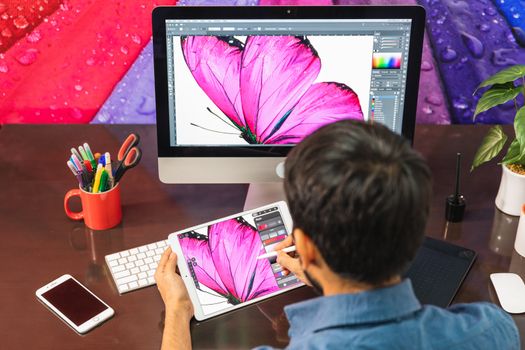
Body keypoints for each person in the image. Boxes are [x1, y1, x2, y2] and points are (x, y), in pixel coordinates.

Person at [155, 120, 520, 349]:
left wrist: (178, 309)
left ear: (307, 248)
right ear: (414, 235)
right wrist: (323, 272)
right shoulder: (491, 331)